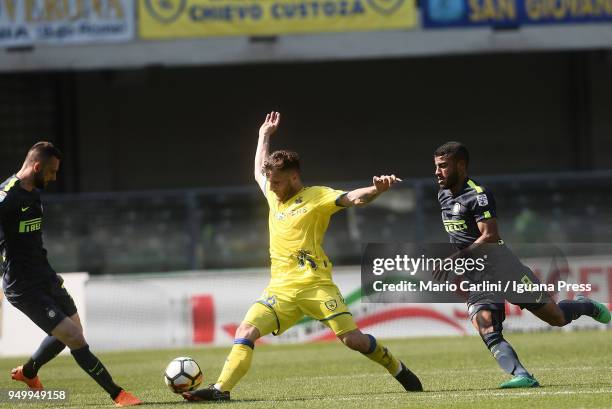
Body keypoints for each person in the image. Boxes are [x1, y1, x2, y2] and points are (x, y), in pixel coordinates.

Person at [183, 111, 423, 401]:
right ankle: (221, 391)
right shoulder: (274, 192)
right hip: (280, 289)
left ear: (294, 177)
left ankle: (397, 367)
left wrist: (377, 189)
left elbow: (353, 198)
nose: (271, 187)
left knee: (353, 340)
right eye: (270, 182)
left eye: (277, 183)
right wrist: (263, 135)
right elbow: (259, 169)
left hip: (315, 285)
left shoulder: (317, 196)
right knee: (246, 331)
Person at [433, 141, 610, 388]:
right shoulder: (442, 195)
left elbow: (490, 236)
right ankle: (523, 375)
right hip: (477, 276)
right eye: (436, 167)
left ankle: (584, 305)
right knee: (486, 326)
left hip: (505, 268)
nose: (437, 172)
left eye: (443, 166)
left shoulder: (478, 195)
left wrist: (457, 258)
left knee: (556, 318)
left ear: (460, 165)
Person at [1, 142, 142, 407]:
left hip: (45, 276)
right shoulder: (7, 197)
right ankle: (118, 394)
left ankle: (28, 372)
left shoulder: (33, 193)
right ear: (37, 166)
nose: (54, 178)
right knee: (74, 338)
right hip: (23, 286)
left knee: (72, 331)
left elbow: (31, 242)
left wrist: (49, 274)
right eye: (52, 172)